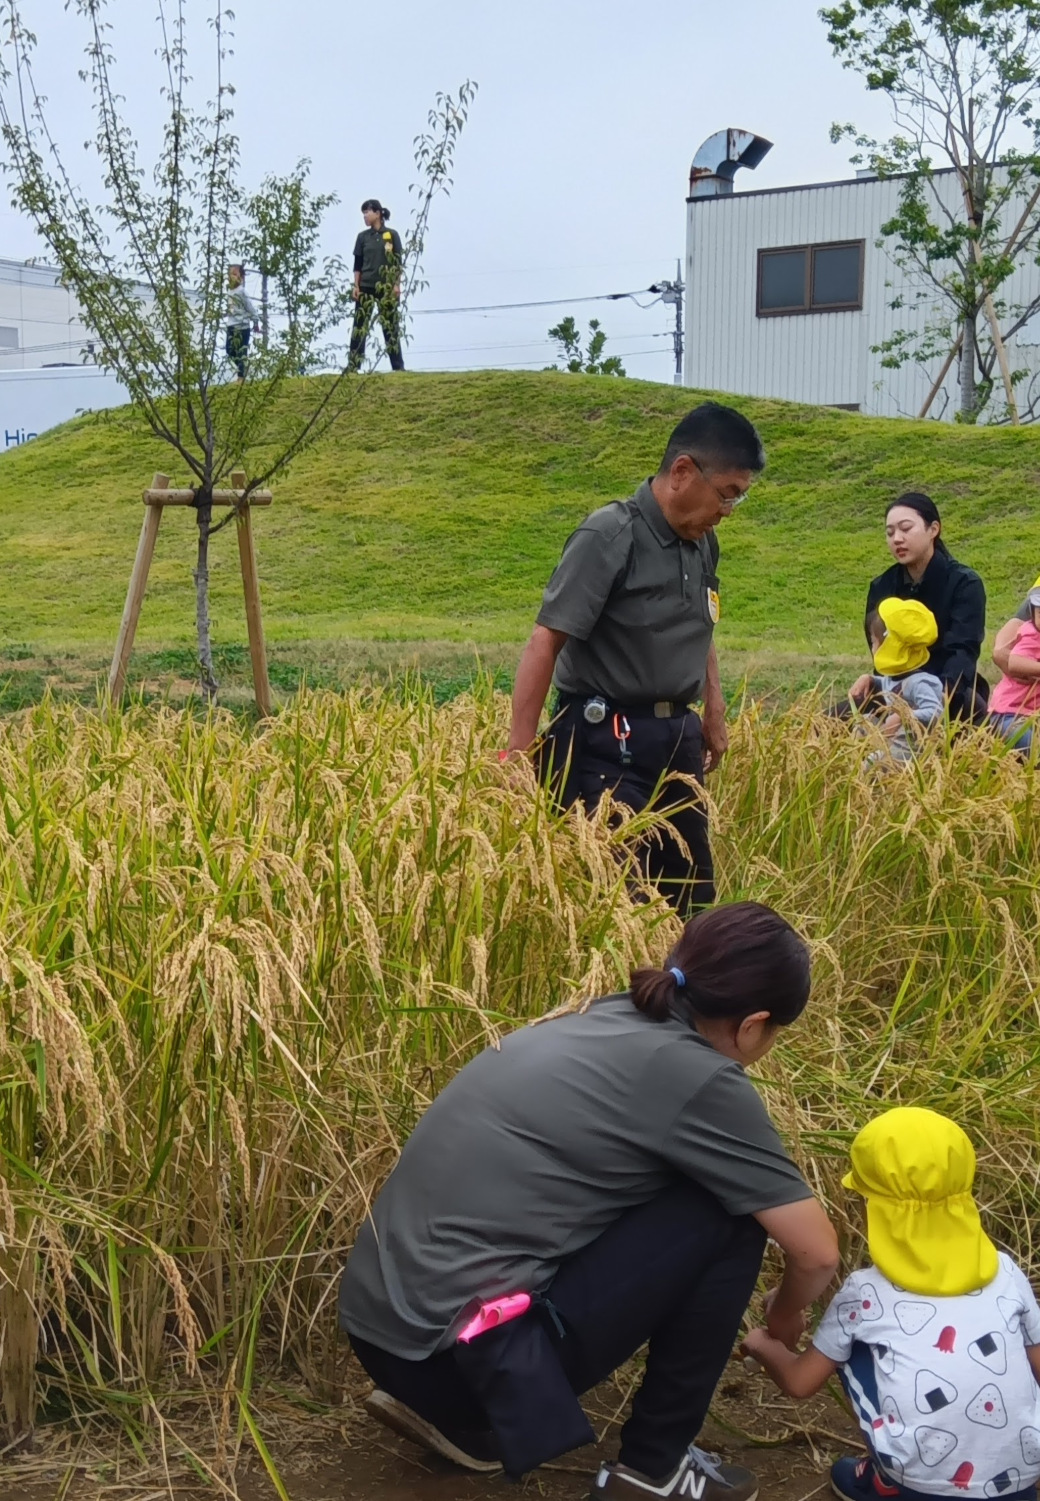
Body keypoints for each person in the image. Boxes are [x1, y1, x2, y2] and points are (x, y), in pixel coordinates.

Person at [340, 901, 839, 1501]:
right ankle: (653, 1469)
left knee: (677, 1184)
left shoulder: (598, 1015)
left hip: (382, 1338)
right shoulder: (700, 1076)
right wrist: (784, 1316)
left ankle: (464, 1425)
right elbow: (816, 1254)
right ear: (754, 1024)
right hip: (454, 1369)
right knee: (729, 1217)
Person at [506, 401, 764, 914]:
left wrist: (713, 709)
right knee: (615, 901)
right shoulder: (609, 536)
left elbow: (701, 625)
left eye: (739, 498)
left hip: (677, 744)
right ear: (683, 471)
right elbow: (545, 641)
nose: (728, 511)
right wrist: (517, 754)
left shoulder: (702, 542)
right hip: (606, 744)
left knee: (689, 899)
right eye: (726, 494)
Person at [742, 1107, 1040, 1501]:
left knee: (855, 1346)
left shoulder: (865, 1292)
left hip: (918, 1485)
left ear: (873, 1206)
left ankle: (885, 1480)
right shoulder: (1007, 1272)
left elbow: (800, 1382)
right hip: (1020, 1480)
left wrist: (761, 1345)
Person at [851, 494, 987, 722]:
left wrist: (933, 699)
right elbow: (881, 650)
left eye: (906, 528)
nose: (897, 539)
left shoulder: (964, 583)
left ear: (933, 529)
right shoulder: (882, 586)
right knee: (830, 723)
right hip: (894, 692)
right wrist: (876, 682)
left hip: (950, 694)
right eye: (890, 533)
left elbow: (962, 652)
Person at [861, 598, 945, 764]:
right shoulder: (896, 677)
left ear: (890, 647)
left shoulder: (918, 683)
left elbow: (935, 711)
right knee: (862, 723)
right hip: (895, 737)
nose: (872, 648)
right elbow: (890, 687)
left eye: (874, 642)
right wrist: (871, 680)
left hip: (910, 748)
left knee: (871, 764)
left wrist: (903, 716)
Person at [348, 199, 405, 371]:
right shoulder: (362, 237)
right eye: (363, 213)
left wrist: (396, 285)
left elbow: (397, 263)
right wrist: (356, 286)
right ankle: (353, 366)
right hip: (365, 286)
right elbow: (357, 265)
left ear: (378, 213)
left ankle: (398, 367)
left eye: (367, 212)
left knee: (390, 327)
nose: (365, 216)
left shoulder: (391, 235)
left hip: (386, 287)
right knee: (360, 327)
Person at [987, 575, 1040, 752]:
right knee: (1030, 744)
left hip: (1032, 713)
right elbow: (1013, 662)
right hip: (1010, 713)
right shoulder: (1031, 635)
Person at [225, 263, 257, 379]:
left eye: (235, 274)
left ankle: (241, 376)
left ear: (241, 277)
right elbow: (232, 308)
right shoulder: (229, 292)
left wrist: (255, 321)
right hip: (231, 325)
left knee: (241, 352)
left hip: (242, 326)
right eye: (230, 274)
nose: (231, 277)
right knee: (229, 350)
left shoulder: (241, 292)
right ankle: (242, 368)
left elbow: (250, 307)